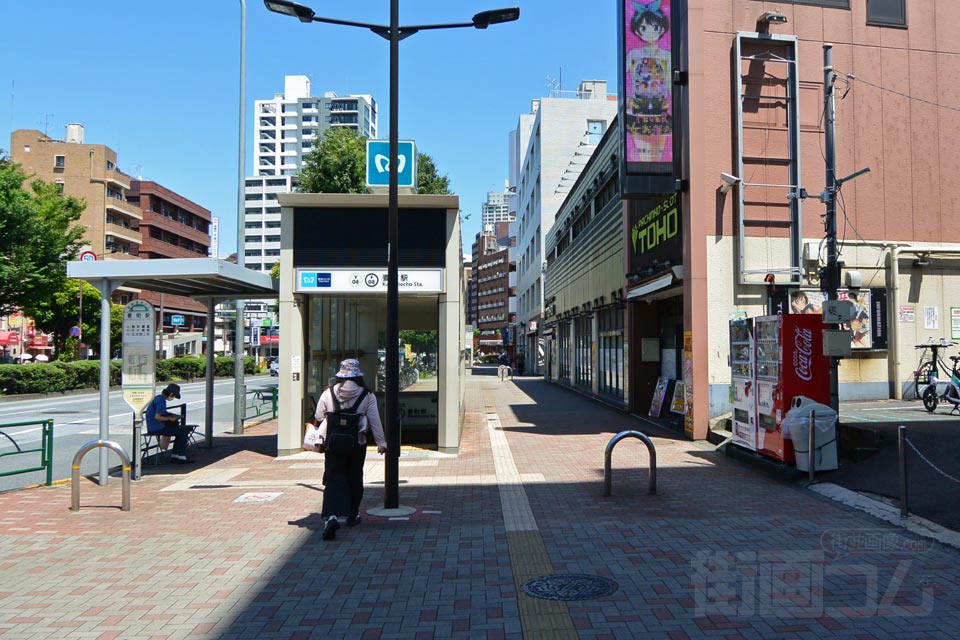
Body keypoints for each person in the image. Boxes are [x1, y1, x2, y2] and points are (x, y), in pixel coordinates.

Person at [315, 359, 387, 541]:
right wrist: (381, 442)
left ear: (340, 375)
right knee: (355, 477)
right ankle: (353, 515)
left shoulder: (328, 392)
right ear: (358, 376)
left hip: (333, 443)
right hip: (357, 443)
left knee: (332, 477)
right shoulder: (367, 395)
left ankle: (331, 516)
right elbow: (375, 420)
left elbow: (318, 416)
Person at [145, 383, 193, 464]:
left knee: (179, 432)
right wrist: (170, 418)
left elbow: (162, 412)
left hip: (152, 427)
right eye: (174, 396)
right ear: (171, 394)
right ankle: (180, 456)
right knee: (183, 433)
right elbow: (158, 416)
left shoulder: (158, 398)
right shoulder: (162, 401)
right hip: (157, 427)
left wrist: (172, 415)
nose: (173, 398)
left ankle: (175, 456)